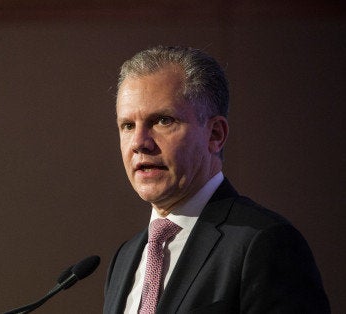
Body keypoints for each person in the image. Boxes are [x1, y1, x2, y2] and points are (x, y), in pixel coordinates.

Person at [103, 46, 330, 313]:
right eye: (128, 125)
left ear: (215, 135)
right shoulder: (125, 258)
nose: (139, 143)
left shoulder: (264, 243)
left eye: (163, 120)